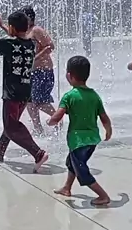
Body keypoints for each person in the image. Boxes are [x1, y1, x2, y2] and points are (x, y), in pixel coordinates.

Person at [0, 11, 49, 171]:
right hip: (25, 91)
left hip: (12, 93)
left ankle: (38, 153)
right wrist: (2, 25)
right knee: (10, 124)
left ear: (12, 28)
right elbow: (17, 38)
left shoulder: (7, 43)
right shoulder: (31, 44)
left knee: (11, 126)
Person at [48, 55, 112, 206]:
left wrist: (50, 121)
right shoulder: (94, 96)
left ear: (69, 76)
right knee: (72, 163)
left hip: (78, 141)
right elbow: (104, 117)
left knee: (81, 171)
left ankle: (103, 196)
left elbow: (57, 116)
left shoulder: (69, 96)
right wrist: (108, 130)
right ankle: (67, 188)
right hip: (92, 140)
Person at [0, 7, 56, 136]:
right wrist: (1, 25)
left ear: (29, 18)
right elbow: (14, 35)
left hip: (43, 71)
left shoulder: (37, 30)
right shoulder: (25, 32)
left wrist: (35, 58)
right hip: (31, 72)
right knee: (30, 101)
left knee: (38, 102)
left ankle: (57, 118)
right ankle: (38, 129)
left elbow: (50, 46)